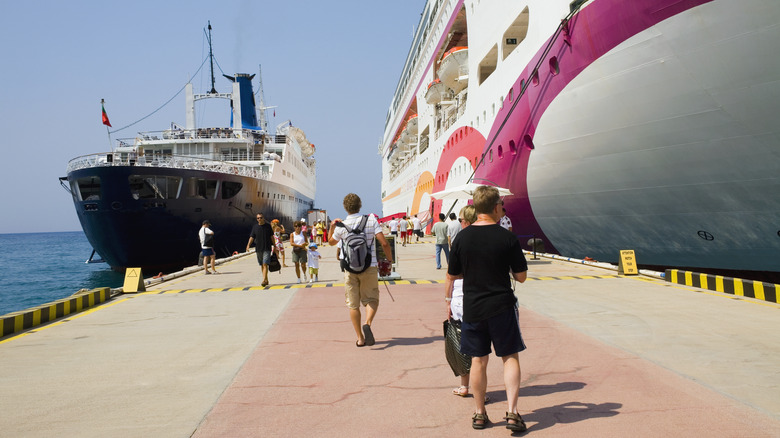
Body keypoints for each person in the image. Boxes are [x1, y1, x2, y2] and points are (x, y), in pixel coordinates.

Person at [446, 185, 529, 432]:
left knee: (478, 361)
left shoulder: (462, 237)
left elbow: (454, 273)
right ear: (495, 207)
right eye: (501, 206)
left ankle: (480, 414)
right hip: (502, 306)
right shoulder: (508, 238)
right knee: (510, 357)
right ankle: (513, 413)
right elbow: (521, 276)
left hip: (473, 307)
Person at [328, 193, 393, 348]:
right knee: (372, 299)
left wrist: (331, 227)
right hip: (369, 266)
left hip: (350, 269)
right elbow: (384, 243)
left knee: (353, 304)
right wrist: (388, 261)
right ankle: (368, 323)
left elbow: (331, 242)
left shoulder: (341, 226)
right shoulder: (371, 220)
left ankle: (360, 338)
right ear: (360, 205)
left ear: (345, 207)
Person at [445, 205, 479, 398]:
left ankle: (465, 386)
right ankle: (478, 389)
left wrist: (447, 301)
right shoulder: (488, 238)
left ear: (465, 221)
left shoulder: (460, 240)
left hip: (459, 298)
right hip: (481, 298)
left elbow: (450, 275)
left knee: (462, 344)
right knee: (478, 351)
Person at [246, 213, 276, 287]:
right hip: (259, 249)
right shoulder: (255, 227)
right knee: (262, 265)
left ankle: (263, 280)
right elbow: (252, 237)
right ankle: (266, 279)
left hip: (267, 248)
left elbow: (272, 236)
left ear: (263, 218)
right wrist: (248, 245)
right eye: (258, 218)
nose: (259, 219)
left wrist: (274, 245)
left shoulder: (268, 226)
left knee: (265, 264)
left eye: (261, 217)